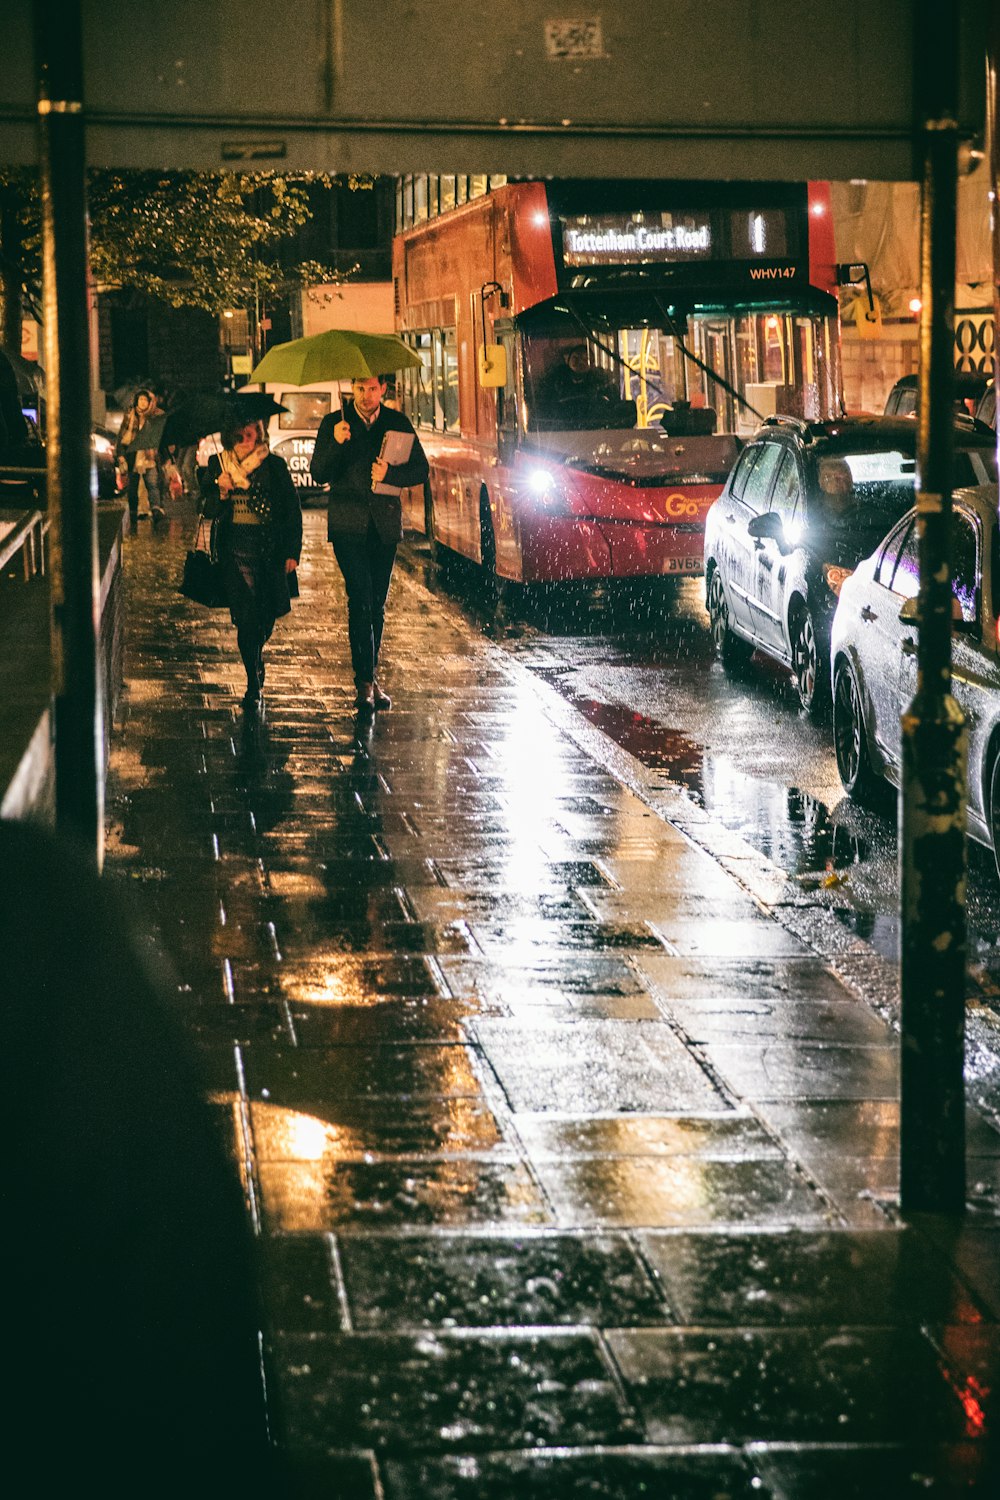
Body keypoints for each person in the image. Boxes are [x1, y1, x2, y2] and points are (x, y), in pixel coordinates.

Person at [310, 373, 429, 714]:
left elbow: (421, 469)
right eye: (359, 388)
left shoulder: (397, 422)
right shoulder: (335, 422)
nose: (365, 395)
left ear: (383, 390)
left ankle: (371, 676)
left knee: (377, 604)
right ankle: (363, 682)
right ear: (351, 389)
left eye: (371, 388)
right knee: (359, 599)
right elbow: (319, 473)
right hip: (348, 526)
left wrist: (389, 474)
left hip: (384, 525)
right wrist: (335, 443)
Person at [200, 418, 302, 710]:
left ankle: (257, 654)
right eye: (240, 434)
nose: (246, 438)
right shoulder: (217, 464)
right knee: (245, 617)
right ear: (230, 436)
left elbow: (291, 511)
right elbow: (205, 508)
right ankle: (253, 682)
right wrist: (220, 491)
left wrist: (292, 552)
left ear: (259, 435)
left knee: (266, 614)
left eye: (251, 433)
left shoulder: (275, 466)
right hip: (234, 549)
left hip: (269, 549)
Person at [115, 387, 166, 528]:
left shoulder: (154, 417)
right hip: (133, 456)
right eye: (141, 399)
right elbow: (122, 436)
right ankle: (133, 513)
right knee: (133, 487)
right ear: (136, 401)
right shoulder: (130, 416)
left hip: (150, 457)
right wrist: (120, 455)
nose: (143, 402)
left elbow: (160, 432)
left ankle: (156, 510)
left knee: (152, 484)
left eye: (145, 400)